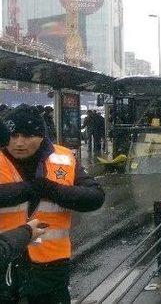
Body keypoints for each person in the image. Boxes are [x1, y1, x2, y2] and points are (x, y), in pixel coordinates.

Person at [0, 104, 105, 303]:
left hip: (50, 268)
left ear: (42, 136)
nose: (19, 143)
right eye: (13, 136)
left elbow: (95, 197)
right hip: (4, 263)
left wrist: (51, 189)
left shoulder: (64, 158)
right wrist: (29, 189)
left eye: (28, 136)